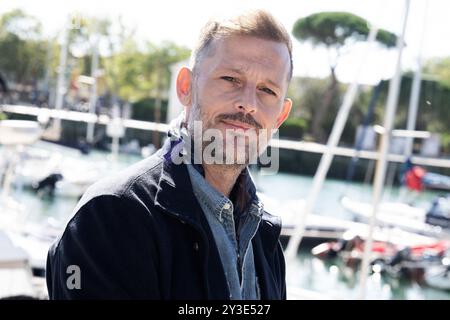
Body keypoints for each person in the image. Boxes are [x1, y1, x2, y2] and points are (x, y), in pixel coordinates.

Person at [46, 9, 293, 300]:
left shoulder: (265, 239)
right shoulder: (111, 216)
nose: (248, 104)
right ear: (186, 87)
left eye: (267, 90)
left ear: (280, 116)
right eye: (231, 79)